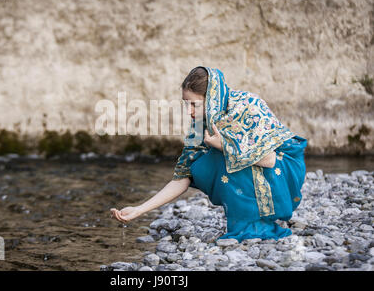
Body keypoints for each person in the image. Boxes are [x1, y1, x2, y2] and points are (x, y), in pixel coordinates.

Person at [110, 66, 307, 242]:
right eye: (185, 104)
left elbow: (270, 160)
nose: (189, 111)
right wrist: (139, 210)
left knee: (218, 157)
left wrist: (224, 145)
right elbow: (183, 177)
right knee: (200, 164)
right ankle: (245, 221)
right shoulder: (201, 125)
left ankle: (256, 225)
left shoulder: (248, 105)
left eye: (194, 104)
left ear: (212, 99)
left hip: (285, 169)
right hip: (263, 167)